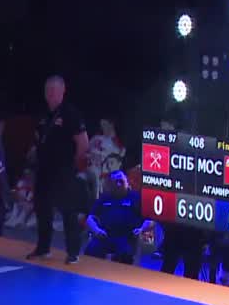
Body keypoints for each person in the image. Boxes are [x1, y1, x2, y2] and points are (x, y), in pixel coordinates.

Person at [27, 75, 89, 263]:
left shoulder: (71, 114)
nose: (50, 94)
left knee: (68, 210)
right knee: (42, 209)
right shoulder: (43, 114)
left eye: (54, 90)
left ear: (63, 91)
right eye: (48, 90)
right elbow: (38, 139)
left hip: (63, 170)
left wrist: (72, 164)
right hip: (44, 169)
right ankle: (43, 248)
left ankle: (73, 252)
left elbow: (83, 143)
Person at [83, 170, 153, 264]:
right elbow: (90, 218)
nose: (119, 184)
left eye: (121, 181)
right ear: (111, 184)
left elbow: (150, 220)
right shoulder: (104, 197)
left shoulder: (136, 197)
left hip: (126, 237)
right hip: (104, 235)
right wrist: (96, 230)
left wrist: (141, 229)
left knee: (125, 255)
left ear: (127, 182)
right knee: (91, 250)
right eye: (115, 182)